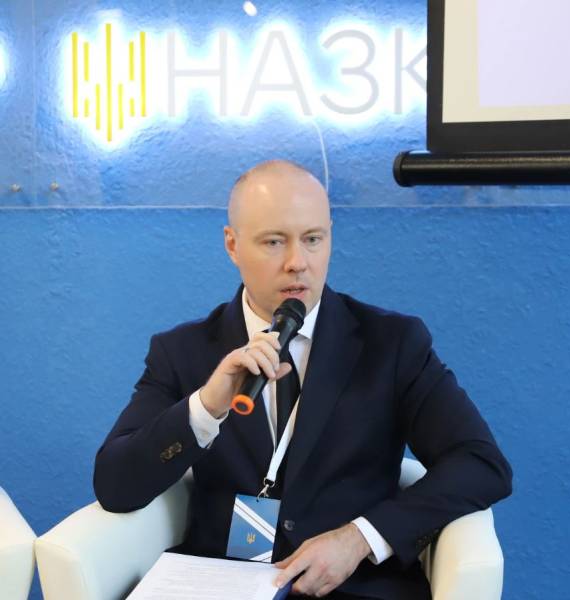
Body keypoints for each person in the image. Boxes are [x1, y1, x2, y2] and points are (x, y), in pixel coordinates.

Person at [94, 160, 512, 599]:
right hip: (224, 585)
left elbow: (481, 463)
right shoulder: (183, 351)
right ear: (232, 245)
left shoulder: (391, 344)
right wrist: (205, 407)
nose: (298, 263)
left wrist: (360, 538)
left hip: (354, 588)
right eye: (274, 242)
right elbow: (116, 486)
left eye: (313, 239)